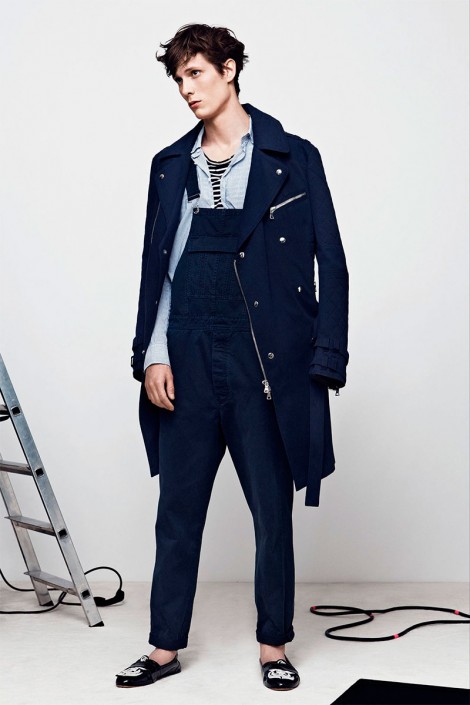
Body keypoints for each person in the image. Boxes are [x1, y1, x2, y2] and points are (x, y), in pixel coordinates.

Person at [116, 23, 349, 692]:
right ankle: (163, 647)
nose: (186, 89)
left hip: (263, 360)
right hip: (186, 355)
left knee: (272, 512)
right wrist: (153, 353)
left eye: (195, 73)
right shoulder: (170, 164)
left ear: (229, 70)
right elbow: (159, 269)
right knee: (176, 512)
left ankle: (274, 645)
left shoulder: (293, 156)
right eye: (178, 78)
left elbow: (332, 262)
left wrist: (326, 357)